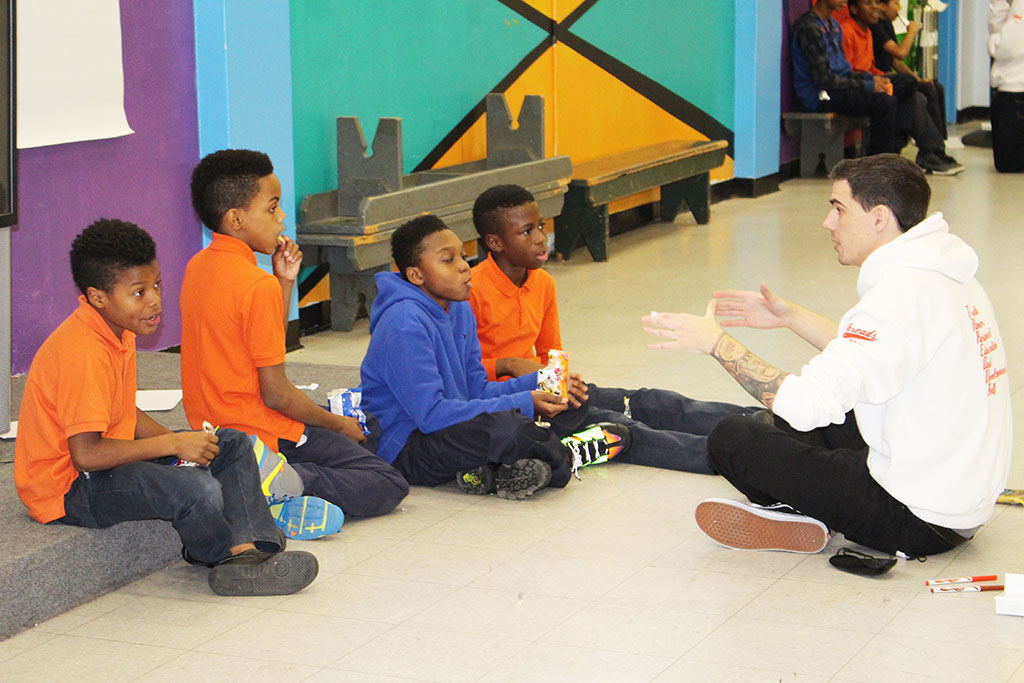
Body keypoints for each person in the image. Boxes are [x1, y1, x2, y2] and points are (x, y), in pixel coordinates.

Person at [643, 154, 1011, 559]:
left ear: (879, 218)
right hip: (959, 499)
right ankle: (802, 504)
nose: (828, 223)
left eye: (839, 209)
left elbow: (805, 405)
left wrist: (717, 344)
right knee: (783, 425)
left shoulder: (897, 298)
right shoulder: (944, 274)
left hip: (919, 520)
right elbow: (877, 356)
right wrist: (790, 317)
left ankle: (795, 510)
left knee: (735, 438)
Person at [14, 219, 318, 596]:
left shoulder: (114, 330)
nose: (155, 300)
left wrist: (188, 441)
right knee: (195, 490)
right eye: (138, 292)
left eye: (156, 285)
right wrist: (173, 446)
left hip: (112, 459)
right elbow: (87, 455)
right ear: (98, 297)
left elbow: (124, 413)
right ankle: (222, 558)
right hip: (71, 489)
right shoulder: (84, 352)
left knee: (232, 444)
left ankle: (251, 549)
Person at [181, 149, 409, 531]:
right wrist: (335, 426)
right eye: (272, 209)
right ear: (236, 219)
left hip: (216, 426)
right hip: (261, 430)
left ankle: (271, 482)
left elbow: (257, 343)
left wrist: (283, 282)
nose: (282, 218)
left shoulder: (198, 266)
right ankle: (288, 483)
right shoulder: (254, 284)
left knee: (364, 425)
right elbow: (275, 393)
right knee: (387, 481)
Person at [469, 184, 751, 474]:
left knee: (648, 401)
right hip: (506, 402)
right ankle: (739, 456)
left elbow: (550, 352)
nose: (541, 239)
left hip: (545, 388)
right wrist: (513, 367)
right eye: (527, 231)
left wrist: (562, 381)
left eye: (541, 226)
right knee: (625, 429)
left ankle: (765, 421)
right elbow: (462, 377)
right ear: (495, 242)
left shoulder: (542, 283)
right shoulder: (470, 292)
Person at [360, 215, 577, 499]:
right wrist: (524, 401)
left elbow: (477, 389)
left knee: (571, 398)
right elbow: (430, 415)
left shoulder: (459, 308)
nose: (464, 266)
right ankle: (562, 456)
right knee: (510, 428)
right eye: (448, 260)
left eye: (463, 256)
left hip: (452, 424)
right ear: (416, 275)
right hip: (407, 445)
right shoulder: (404, 324)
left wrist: (540, 381)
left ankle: (505, 468)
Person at [833, 0, 961, 174]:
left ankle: (932, 150)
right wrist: (880, 79)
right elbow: (849, 71)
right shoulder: (848, 31)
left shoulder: (868, 31)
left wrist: (886, 77)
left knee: (915, 95)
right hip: (860, 86)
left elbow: (873, 66)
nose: (875, 8)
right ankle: (927, 152)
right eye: (869, 4)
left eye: (875, 4)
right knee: (910, 92)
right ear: (854, 9)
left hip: (874, 79)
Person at [791, 0, 899, 157]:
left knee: (902, 85)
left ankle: (894, 152)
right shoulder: (809, 28)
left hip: (838, 88)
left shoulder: (833, 26)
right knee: (884, 103)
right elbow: (824, 80)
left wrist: (872, 79)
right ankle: (877, 164)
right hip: (820, 95)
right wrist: (868, 86)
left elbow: (844, 71)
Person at [989, 0, 1024, 172]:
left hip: (1014, 88)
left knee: (1007, 163)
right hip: (1010, 88)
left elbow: (1005, 47)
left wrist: (993, 41)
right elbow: (996, 25)